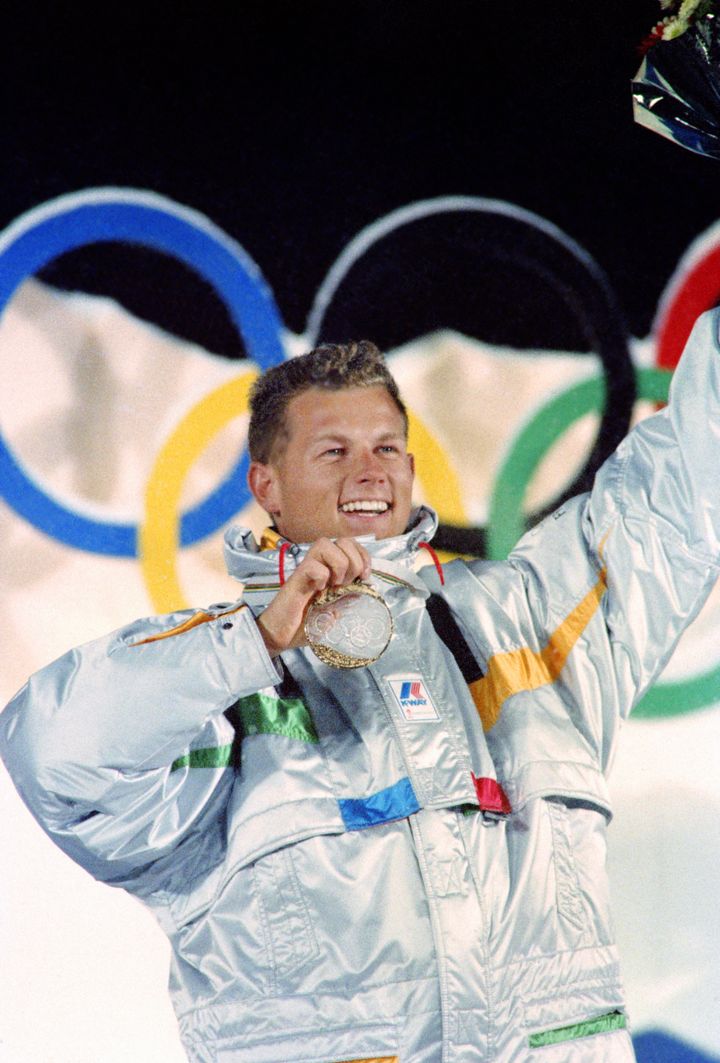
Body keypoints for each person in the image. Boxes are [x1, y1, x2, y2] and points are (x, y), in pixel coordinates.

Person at [2, 321, 719, 1063]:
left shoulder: (526, 619)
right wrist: (253, 642)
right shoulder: (213, 689)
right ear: (265, 485)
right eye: (334, 451)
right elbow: (51, 750)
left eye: (385, 447)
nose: (370, 471)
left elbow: (683, 488)